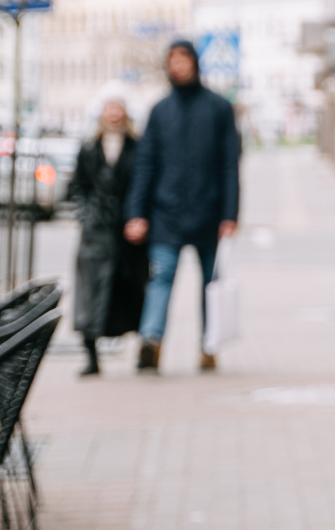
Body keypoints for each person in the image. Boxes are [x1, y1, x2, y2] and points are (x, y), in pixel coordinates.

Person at [124, 40, 240, 374]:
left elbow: (229, 164)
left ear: (194, 63)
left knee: (210, 285)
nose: (177, 65)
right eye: (172, 59)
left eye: (183, 59)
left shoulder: (218, 108)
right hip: (166, 215)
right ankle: (151, 341)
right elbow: (145, 164)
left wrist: (230, 214)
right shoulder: (160, 111)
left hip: (210, 213)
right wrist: (136, 213)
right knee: (160, 279)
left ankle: (209, 345)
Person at [67, 95, 149, 377]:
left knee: (134, 291)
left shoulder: (138, 148)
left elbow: (144, 184)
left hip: (129, 234)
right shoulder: (89, 148)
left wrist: (139, 219)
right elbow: (78, 187)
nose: (113, 114)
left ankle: (144, 352)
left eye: (118, 109)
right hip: (96, 233)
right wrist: (86, 216)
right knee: (89, 294)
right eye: (108, 109)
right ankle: (91, 356)